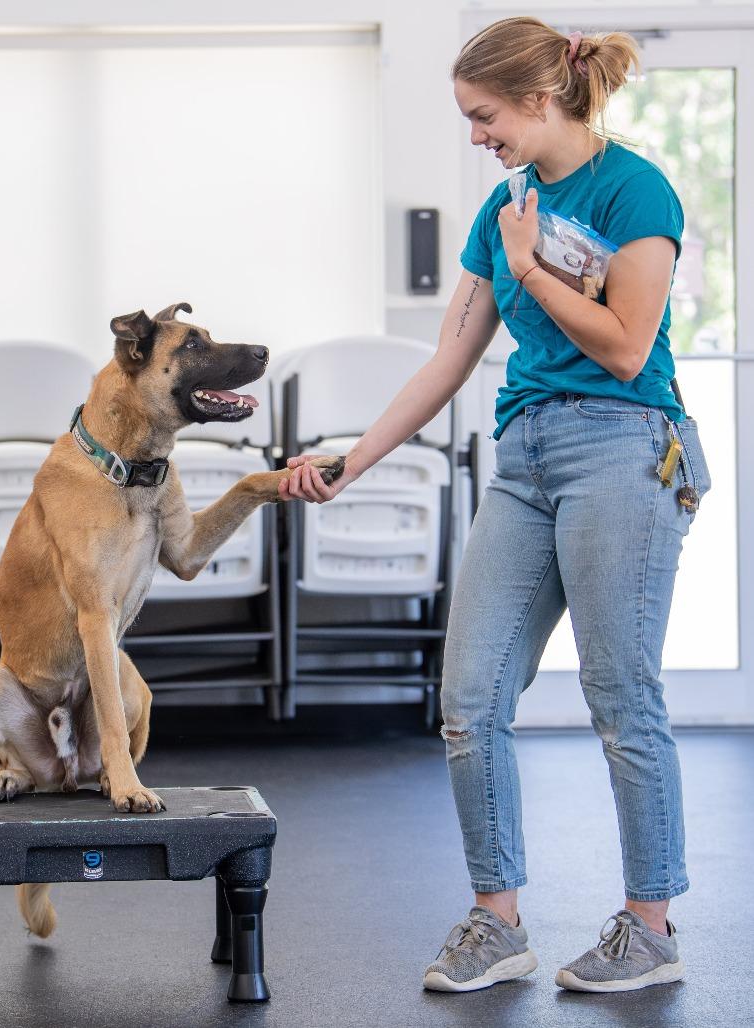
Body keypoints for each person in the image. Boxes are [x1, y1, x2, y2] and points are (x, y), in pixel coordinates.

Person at [279, 16, 711, 994]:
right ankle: (495, 918)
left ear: (538, 97)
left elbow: (626, 347)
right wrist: (354, 459)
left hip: (624, 443)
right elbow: (446, 362)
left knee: (618, 692)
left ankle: (648, 926)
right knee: (468, 698)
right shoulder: (502, 207)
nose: (477, 136)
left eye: (482, 117)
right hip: (523, 454)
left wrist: (528, 269)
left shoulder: (631, 188)